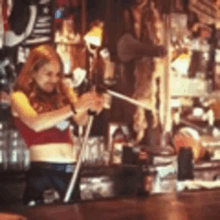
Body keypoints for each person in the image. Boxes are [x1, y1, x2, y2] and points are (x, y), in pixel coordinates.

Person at [10, 44, 104, 205]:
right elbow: (36, 123)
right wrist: (75, 107)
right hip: (42, 169)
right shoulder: (19, 96)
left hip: (70, 169)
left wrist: (94, 107)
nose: (54, 80)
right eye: (48, 74)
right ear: (32, 72)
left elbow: (81, 120)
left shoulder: (64, 93)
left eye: (58, 74)